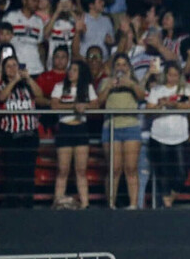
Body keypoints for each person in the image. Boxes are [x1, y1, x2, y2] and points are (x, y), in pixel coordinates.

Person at [146, 61, 190, 207]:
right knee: (162, 171)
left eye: (175, 75)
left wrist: (177, 105)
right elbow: (148, 110)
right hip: (159, 135)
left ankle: (171, 196)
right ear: (165, 75)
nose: (172, 78)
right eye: (170, 75)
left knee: (181, 172)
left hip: (179, 135)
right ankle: (165, 203)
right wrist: (161, 105)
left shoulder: (185, 89)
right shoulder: (157, 90)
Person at [97, 53, 145, 209]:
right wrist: (110, 86)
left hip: (131, 126)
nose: (121, 68)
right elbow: (99, 102)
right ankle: (111, 203)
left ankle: (133, 204)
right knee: (114, 168)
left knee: (131, 168)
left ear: (129, 67)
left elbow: (141, 96)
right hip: (111, 127)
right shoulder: (105, 81)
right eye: (118, 64)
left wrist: (130, 84)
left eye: (124, 64)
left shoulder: (134, 82)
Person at [50, 60, 99, 210]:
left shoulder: (87, 87)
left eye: (75, 70)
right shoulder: (59, 86)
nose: (71, 72)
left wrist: (85, 106)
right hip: (65, 128)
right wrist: (74, 106)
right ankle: (57, 201)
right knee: (63, 169)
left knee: (81, 170)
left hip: (80, 129)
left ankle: (85, 203)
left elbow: (96, 104)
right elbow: (54, 105)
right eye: (70, 69)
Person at [0, 56, 43, 208]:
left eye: (14, 65)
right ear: (3, 70)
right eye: (8, 66)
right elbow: (2, 97)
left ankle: (27, 203)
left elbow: (40, 94)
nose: (11, 69)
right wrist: (14, 81)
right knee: (12, 171)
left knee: (28, 171)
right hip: (11, 135)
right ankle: (12, 204)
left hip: (29, 134)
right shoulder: (1, 85)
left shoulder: (27, 85)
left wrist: (28, 79)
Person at [2, 0, 45, 78]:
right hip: (15, 68)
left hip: (35, 68)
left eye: (37, 1)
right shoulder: (11, 17)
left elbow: (40, 46)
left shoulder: (39, 21)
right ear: (24, 1)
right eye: (33, 0)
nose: (36, 3)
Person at [35, 45, 69, 132]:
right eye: (57, 57)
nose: (60, 60)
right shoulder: (44, 76)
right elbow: (36, 98)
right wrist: (50, 103)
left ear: (68, 59)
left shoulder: (72, 77)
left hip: (68, 112)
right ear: (53, 59)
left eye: (63, 57)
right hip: (49, 112)